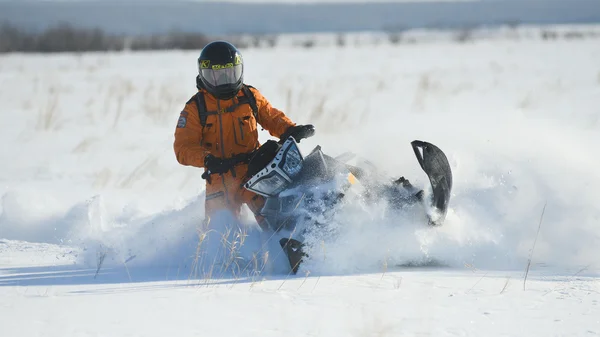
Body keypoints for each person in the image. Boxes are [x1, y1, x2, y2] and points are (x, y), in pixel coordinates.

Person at [173, 41, 315, 230]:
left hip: (256, 172)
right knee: (220, 233)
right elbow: (183, 148)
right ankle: (222, 259)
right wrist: (207, 159)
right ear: (204, 74)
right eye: (217, 75)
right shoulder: (195, 108)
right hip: (219, 177)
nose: (224, 79)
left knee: (275, 218)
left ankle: (289, 246)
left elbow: (271, 116)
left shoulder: (249, 95)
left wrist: (290, 129)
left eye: (229, 73)